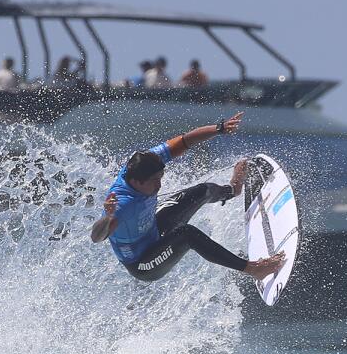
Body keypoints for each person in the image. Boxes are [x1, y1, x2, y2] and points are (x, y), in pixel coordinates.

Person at [90, 111, 284, 282]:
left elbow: (185, 140)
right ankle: (253, 269)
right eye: (155, 181)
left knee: (202, 190)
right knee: (186, 234)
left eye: (161, 178)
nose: (160, 185)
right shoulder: (122, 205)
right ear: (138, 182)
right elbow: (96, 237)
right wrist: (107, 217)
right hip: (143, 263)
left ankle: (233, 189)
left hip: (154, 230)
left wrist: (220, 128)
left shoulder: (146, 161)